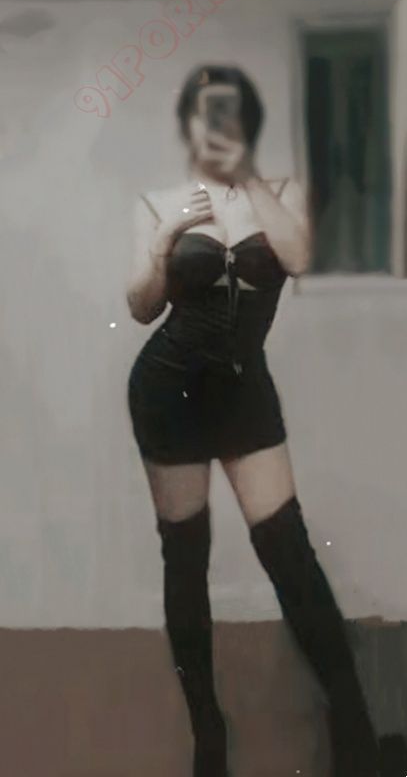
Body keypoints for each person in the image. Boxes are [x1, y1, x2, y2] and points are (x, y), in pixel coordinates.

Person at [126, 65, 383, 777]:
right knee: (185, 557)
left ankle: (351, 719)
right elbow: (142, 308)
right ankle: (207, 728)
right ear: (188, 124)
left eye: (231, 114)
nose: (218, 127)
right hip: (169, 391)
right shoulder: (158, 202)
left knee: (286, 547)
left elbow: (297, 256)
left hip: (243, 391)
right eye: (206, 114)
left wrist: (249, 182)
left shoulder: (283, 192)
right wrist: (164, 242)